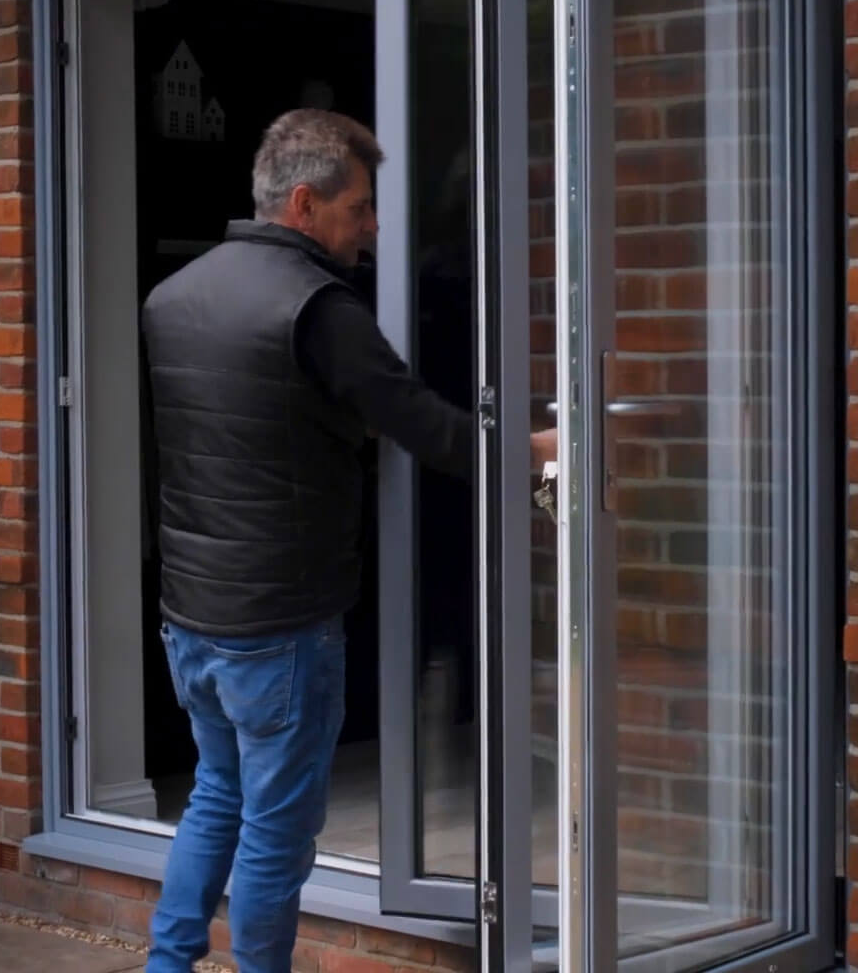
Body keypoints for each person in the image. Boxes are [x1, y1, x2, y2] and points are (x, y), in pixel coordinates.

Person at [139, 108, 554, 973]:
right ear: (304, 204)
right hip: (280, 624)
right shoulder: (319, 309)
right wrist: (532, 452)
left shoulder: (172, 298)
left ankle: (167, 965)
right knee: (277, 834)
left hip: (191, 615)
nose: (371, 225)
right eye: (358, 207)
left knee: (216, 796)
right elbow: (422, 425)